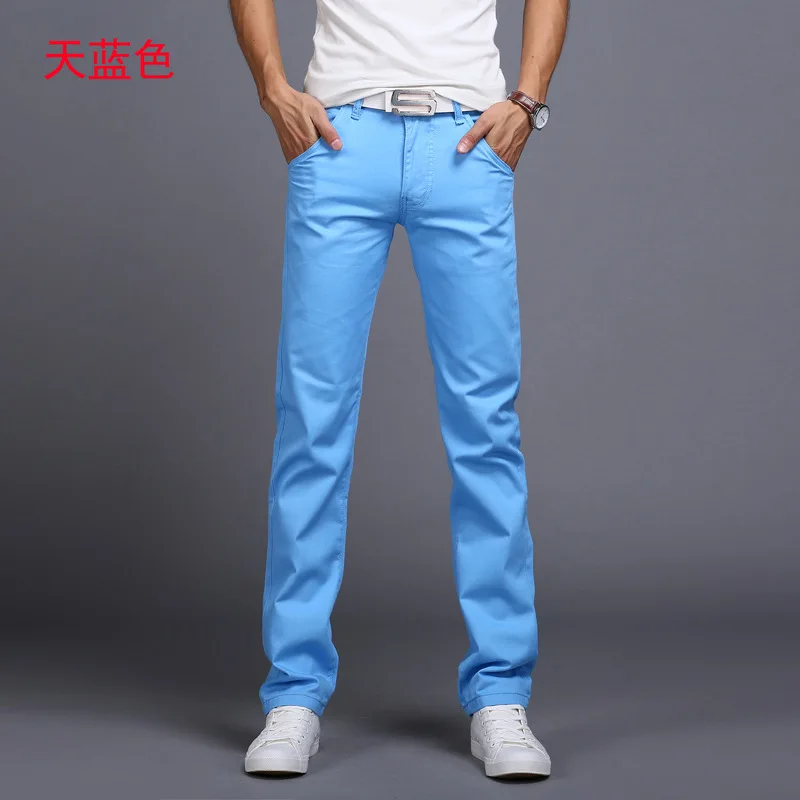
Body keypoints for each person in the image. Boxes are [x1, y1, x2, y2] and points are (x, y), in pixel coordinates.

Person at [229, 0, 569, 779]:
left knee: (485, 423)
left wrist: (527, 101)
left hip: (466, 141)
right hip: (341, 141)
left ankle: (500, 693)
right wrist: (273, 88)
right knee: (311, 421)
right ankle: (294, 694)